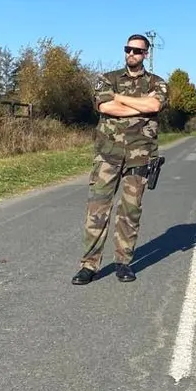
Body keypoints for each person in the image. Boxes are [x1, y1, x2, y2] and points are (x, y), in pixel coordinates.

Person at [72, 33, 168, 285]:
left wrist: (120, 98)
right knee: (97, 211)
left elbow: (155, 106)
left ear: (146, 53)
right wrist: (139, 106)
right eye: (128, 49)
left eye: (137, 51)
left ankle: (123, 262)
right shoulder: (107, 78)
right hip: (108, 155)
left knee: (130, 212)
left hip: (140, 157)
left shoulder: (157, 82)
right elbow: (105, 107)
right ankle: (89, 265)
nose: (131, 54)